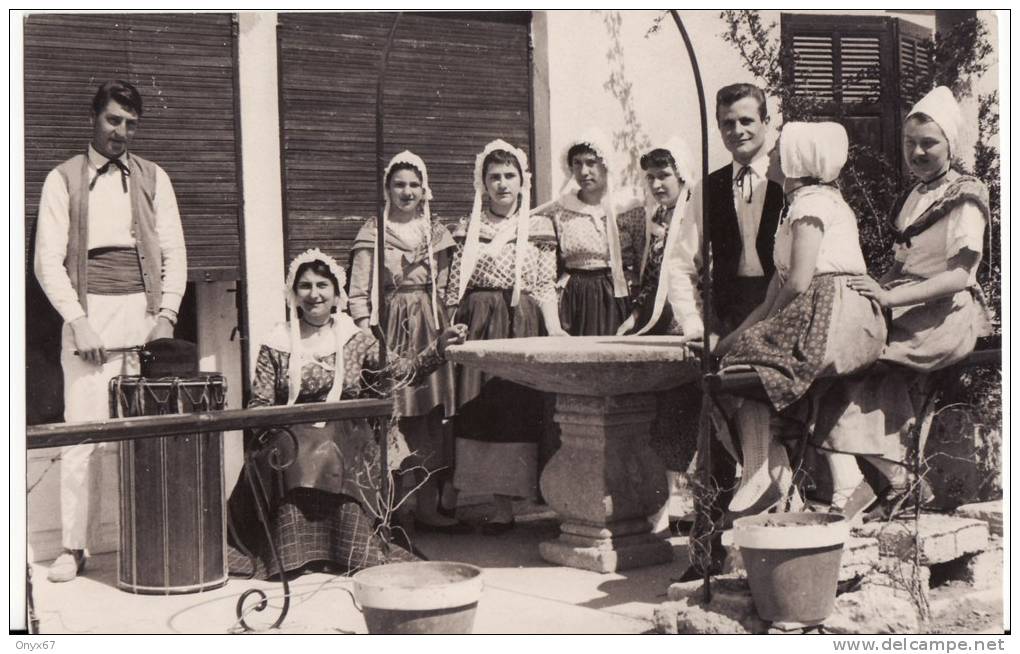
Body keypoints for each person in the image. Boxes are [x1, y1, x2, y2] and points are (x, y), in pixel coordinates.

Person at [226, 249, 467, 579]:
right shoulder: (277, 342)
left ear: (337, 294)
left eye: (323, 285)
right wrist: (274, 426)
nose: (314, 294)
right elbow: (260, 403)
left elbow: (406, 372)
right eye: (306, 286)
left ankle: (349, 550)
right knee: (287, 450)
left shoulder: (357, 339)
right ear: (293, 294)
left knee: (332, 447)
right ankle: (290, 554)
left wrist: (438, 347)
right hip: (290, 432)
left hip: (345, 432)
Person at [34, 80, 187, 582]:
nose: (121, 132)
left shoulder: (154, 177)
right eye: (113, 120)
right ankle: (74, 548)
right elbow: (45, 262)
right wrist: (77, 321)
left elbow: (173, 254)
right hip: (87, 318)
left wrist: (165, 316)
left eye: (130, 124)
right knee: (82, 438)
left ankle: (145, 536)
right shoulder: (62, 179)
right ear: (94, 117)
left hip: (142, 318)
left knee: (144, 438)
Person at [830, 86, 993, 518]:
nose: (918, 152)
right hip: (907, 302)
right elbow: (898, 265)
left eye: (929, 143)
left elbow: (960, 275)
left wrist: (889, 296)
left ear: (949, 145)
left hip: (947, 312)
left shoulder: (965, 196)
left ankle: (897, 477)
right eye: (910, 143)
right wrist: (865, 290)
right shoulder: (914, 196)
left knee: (864, 358)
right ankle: (892, 475)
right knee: (840, 345)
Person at [713, 122, 888, 515]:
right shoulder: (800, 204)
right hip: (817, 308)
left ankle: (766, 474)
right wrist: (736, 336)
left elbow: (799, 280)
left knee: (753, 366)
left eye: (778, 150)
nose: (771, 155)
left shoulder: (812, 203)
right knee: (735, 357)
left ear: (796, 160)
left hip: (836, 313)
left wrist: (759, 331)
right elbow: (776, 291)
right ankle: (776, 473)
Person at [446, 139, 565, 533]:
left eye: (509, 176)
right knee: (480, 410)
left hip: (520, 322)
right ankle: (488, 501)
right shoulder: (468, 227)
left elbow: (545, 284)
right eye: (494, 176)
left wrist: (555, 328)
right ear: (482, 182)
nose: (502, 184)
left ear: (522, 181)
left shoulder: (539, 226)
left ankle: (509, 504)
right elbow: (453, 286)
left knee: (516, 409)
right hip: (478, 322)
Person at [348, 151, 465, 532]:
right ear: (386, 188)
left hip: (429, 328)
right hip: (389, 330)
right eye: (399, 184)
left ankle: (428, 505)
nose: (407, 191)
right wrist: (366, 333)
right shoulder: (373, 232)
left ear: (424, 188)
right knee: (394, 416)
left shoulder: (436, 234)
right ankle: (397, 506)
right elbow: (358, 292)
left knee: (431, 419)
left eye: (414, 184)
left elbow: (446, 288)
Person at [534, 131, 644, 336]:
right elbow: (546, 276)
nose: (584, 171)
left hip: (618, 300)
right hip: (573, 301)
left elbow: (644, 268)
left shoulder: (629, 209)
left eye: (591, 162)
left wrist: (638, 313)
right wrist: (553, 326)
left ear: (606, 164)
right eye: (577, 163)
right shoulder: (560, 211)